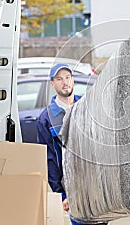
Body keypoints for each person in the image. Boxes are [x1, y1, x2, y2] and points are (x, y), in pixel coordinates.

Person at [37, 63, 84, 225]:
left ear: (73, 80)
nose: (65, 82)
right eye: (59, 79)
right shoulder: (46, 118)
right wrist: (61, 194)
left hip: (96, 184)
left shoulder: (87, 107)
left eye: (67, 77)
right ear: (52, 83)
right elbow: (49, 159)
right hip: (72, 188)